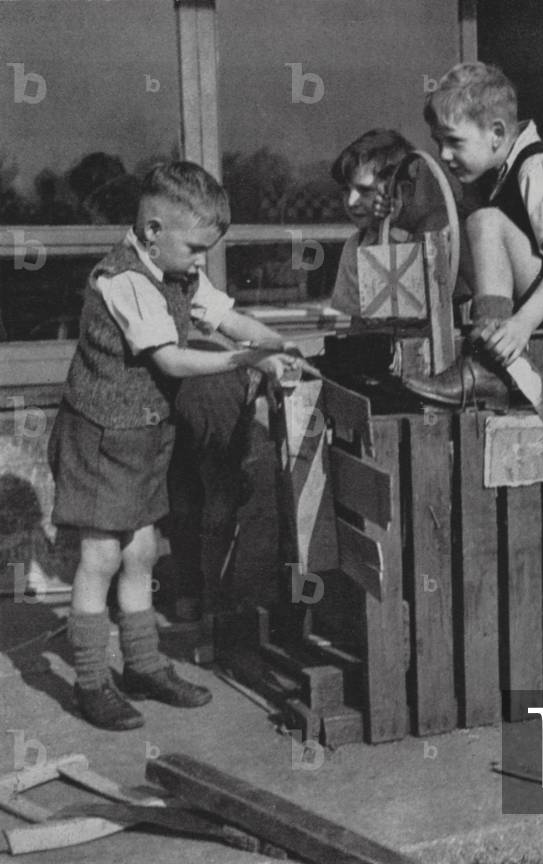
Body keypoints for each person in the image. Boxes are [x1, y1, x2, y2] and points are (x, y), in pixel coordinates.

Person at [48, 162, 297, 731]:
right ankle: (91, 681)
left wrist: (282, 346)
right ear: (154, 231)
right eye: (196, 248)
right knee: (100, 558)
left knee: (140, 552)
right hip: (100, 437)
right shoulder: (125, 280)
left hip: (143, 434)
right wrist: (247, 360)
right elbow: (171, 360)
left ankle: (142, 666)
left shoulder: (178, 271)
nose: (203, 261)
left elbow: (228, 318)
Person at [403, 62, 543, 407]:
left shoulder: (540, 166)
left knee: (486, 222)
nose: (444, 155)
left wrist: (522, 324)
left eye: (454, 141)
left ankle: (487, 367)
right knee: (449, 223)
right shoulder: (493, 178)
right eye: (438, 143)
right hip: (534, 304)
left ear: (497, 133)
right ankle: (477, 335)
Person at [328, 129, 416, 318]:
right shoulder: (354, 246)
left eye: (365, 190)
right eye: (346, 190)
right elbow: (348, 318)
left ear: (403, 191)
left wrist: (394, 231)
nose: (351, 201)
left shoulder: (423, 239)